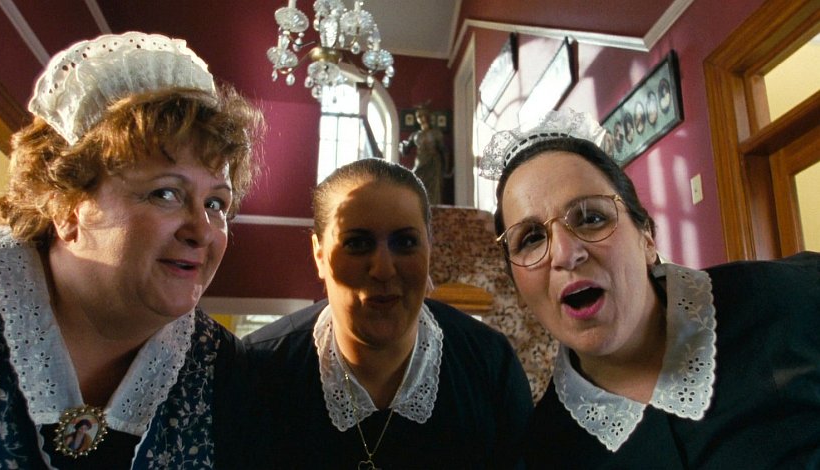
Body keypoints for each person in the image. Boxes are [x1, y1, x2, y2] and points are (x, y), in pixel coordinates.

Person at [480, 108, 820, 468]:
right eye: (531, 239)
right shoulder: (545, 453)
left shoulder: (789, 297)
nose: (566, 253)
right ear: (517, 284)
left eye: (591, 218)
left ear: (646, 238)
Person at [0, 31, 262, 468]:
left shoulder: (221, 366)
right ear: (66, 206)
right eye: (165, 194)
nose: (202, 231)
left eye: (216, 203)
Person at [240, 158, 533, 468]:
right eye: (357, 243)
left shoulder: (490, 364)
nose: (383, 269)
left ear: (429, 248)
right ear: (320, 255)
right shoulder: (259, 370)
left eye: (405, 242)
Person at [399, 106, 449, 205]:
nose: (421, 118)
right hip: (420, 162)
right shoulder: (415, 135)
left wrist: (446, 168)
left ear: (428, 116)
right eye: (418, 116)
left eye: (423, 115)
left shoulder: (436, 133)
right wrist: (402, 147)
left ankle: (433, 208)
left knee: (434, 188)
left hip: (433, 163)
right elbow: (405, 150)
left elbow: (444, 151)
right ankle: (419, 206)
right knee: (415, 183)